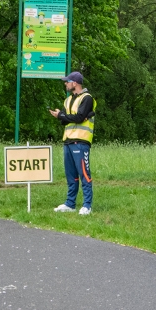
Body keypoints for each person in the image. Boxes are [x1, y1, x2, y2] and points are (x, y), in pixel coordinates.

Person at [49, 71, 95, 215]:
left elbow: (79, 117)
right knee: (71, 175)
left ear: (74, 83)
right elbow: (65, 119)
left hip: (81, 141)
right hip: (68, 140)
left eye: (67, 81)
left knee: (84, 174)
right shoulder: (67, 100)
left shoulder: (87, 98)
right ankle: (70, 203)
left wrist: (63, 116)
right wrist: (60, 115)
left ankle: (87, 205)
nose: (65, 84)